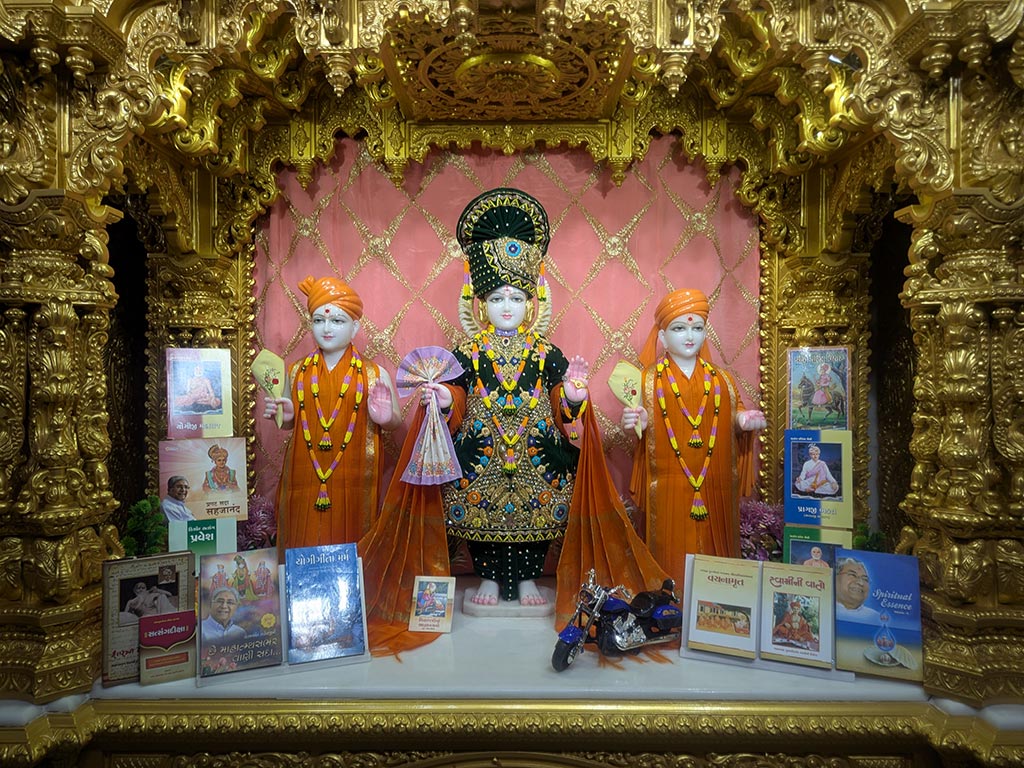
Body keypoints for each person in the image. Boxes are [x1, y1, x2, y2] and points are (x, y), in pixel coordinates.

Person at [358, 188, 666, 652]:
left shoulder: (547, 353)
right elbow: (458, 395)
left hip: (536, 453)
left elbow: (564, 403)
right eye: (498, 297)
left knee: (537, 513)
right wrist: (444, 398)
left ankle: (525, 580)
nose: (507, 306)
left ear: (532, 302)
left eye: (517, 298)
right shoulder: (466, 351)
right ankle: (485, 575)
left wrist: (576, 397)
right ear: (481, 303)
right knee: (475, 508)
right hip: (480, 453)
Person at [622, 288, 766, 589]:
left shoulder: (722, 380)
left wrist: (743, 420)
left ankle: (717, 598)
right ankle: (667, 597)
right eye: (679, 328)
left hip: (713, 480)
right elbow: (640, 418)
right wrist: (638, 422)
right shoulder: (647, 380)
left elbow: (735, 410)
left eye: (697, 328)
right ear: (662, 337)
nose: (689, 336)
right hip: (668, 481)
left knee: (716, 539)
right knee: (668, 540)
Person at [264, 276, 401, 553]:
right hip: (306, 472)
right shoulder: (297, 370)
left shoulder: (374, 373)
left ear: (355, 327)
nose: (326, 329)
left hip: (354, 473)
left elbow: (396, 421)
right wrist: (285, 416)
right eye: (318, 320)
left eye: (337, 321)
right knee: (304, 532)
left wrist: (386, 417)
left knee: (351, 532)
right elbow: (290, 424)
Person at [835, 556, 879, 620]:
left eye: (865, 579)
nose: (860, 583)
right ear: (835, 576)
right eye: (853, 575)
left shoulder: (875, 618)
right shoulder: (824, 607)